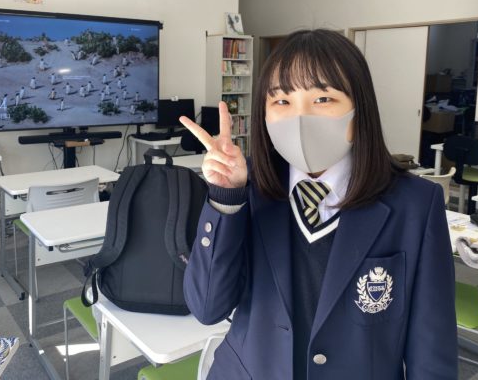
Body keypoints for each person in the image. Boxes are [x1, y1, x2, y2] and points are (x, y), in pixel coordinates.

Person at [180, 29, 457, 380]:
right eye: (282, 101)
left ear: (359, 109)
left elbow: (432, 349)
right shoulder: (248, 189)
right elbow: (207, 308)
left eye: (323, 99)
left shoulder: (414, 204)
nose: (300, 118)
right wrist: (225, 198)